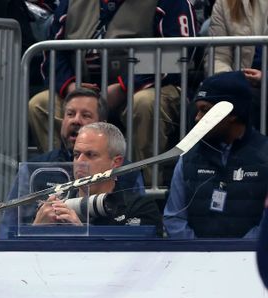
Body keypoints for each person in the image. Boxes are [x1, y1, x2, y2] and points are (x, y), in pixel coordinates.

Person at [28, 0, 197, 187]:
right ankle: (59, 184)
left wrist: (124, 87)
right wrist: (71, 88)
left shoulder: (171, 3)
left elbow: (177, 54)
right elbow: (53, 52)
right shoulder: (71, 3)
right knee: (41, 104)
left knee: (144, 103)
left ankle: (146, 190)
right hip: (84, 87)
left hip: (148, 86)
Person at [0, 88, 145, 238]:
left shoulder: (127, 171)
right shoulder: (35, 168)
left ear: (102, 124)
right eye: (70, 114)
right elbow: (9, 230)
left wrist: (81, 233)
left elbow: (135, 225)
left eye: (85, 115)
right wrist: (37, 229)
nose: (76, 120)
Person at [164, 71, 268, 238]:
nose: (197, 118)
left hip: (250, 261)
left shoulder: (265, 156)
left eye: (205, 110)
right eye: (198, 111)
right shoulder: (188, 157)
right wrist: (200, 253)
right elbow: (173, 217)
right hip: (192, 261)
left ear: (232, 114)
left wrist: (238, 254)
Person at [32, 122, 163, 233]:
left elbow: (133, 260)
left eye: (90, 155)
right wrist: (35, 229)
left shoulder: (141, 208)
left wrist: (80, 233)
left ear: (116, 162)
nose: (80, 162)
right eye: (76, 154)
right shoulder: (54, 206)